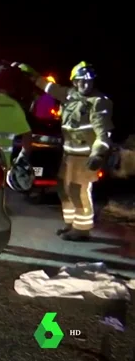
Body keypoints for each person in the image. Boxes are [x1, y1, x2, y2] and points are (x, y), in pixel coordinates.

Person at [26, 61, 114, 240]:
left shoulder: (98, 102)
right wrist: (31, 73)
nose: (85, 84)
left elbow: (103, 133)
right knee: (63, 188)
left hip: (85, 157)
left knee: (78, 190)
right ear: (74, 82)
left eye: (88, 81)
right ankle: (71, 224)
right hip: (69, 155)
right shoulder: (69, 95)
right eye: (81, 81)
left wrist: (98, 154)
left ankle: (82, 229)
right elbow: (48, 87)